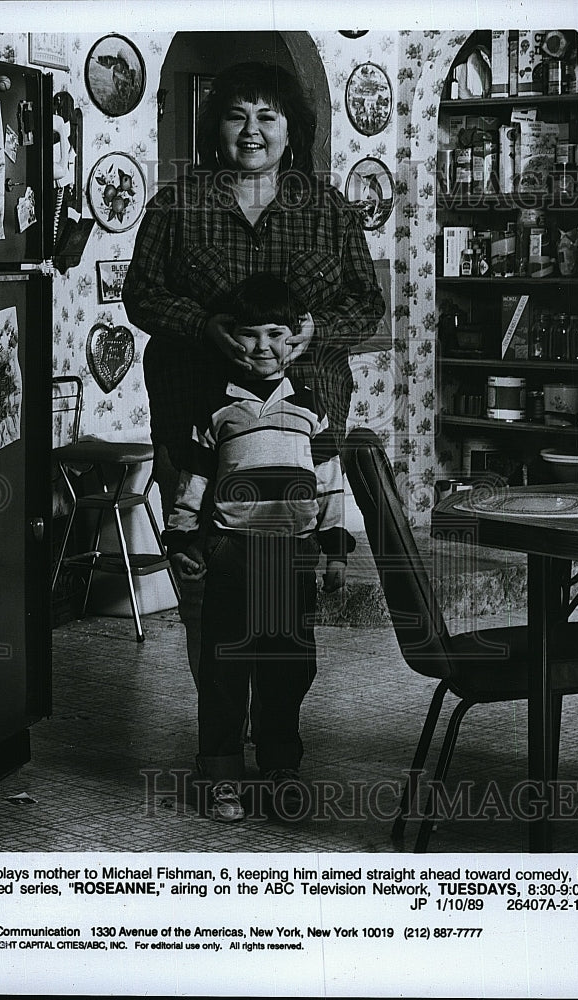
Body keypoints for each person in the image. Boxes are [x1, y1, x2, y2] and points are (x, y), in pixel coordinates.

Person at [122, 60, 385, 681]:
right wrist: (202, 326)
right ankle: (219, 730)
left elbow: (368, 305)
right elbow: (141, 295)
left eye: (267, 115)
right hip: (196, 421)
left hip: (303, 421)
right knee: (204, 566)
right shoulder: (177, 206)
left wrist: (317, 330)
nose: (252, 130)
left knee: (287, 579)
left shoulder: (330, 212)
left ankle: (273, 728)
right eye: (237, 115)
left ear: (292, 128)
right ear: (216, 129)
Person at [163, 273, 356, 822]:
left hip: (292, 556)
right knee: (225, 664)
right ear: (229, 338)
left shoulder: (310, 406)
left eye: (277, 333)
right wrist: (182, 539)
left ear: (296, 338)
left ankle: (280, 766)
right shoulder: (216, 407)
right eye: (250, 335)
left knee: (288, 666)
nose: (263, 347)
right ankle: (221, 771)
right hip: (231, 551)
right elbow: (194, 481)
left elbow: (329, 479)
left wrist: (335, 548)